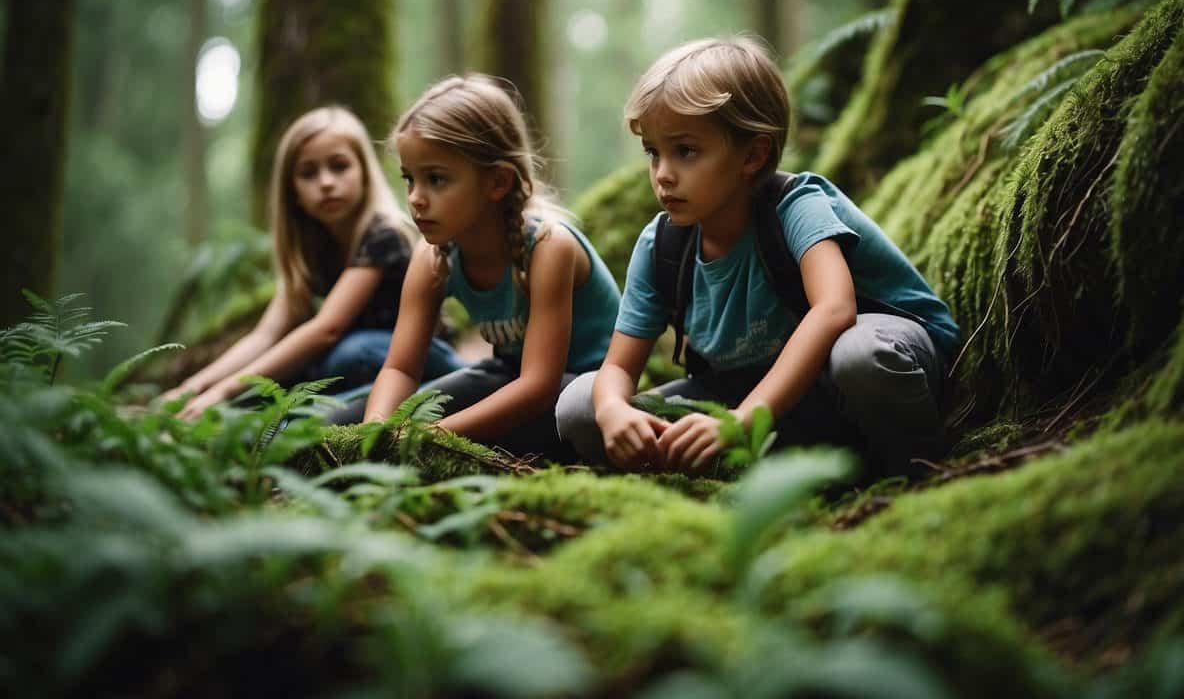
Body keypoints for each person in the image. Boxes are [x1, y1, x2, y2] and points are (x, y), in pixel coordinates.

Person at [555, 37, 961, 476]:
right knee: (582, 403)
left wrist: (741, 423)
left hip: (868, 375)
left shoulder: (797, 205)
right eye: (653, 152)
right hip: (760, 400)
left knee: (860, 355)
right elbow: (617, 367)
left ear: (754, 154)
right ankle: (778, 473)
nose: (662, 175)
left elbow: (834, 309)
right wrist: (615, 409)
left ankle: (915, 472)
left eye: (685, 151)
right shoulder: (662, 247)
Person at [352, 75, 621, 460]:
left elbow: (538, 387)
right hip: (506, 376)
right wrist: (375, 430)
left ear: (497, 182)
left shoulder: (549, 247)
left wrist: (431, 436)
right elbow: (400, 369)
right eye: (410, 179)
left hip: (585, 392)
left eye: (436, 179)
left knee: (530, 422)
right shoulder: (432, 256)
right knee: (355, 417)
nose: (415, 199)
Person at [161, 106, 464, 419]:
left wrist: (224, 390)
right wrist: (194, 387)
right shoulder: (309, 249)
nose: (326, 182)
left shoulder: (383, 234)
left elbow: (326, 329)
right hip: (358, 365)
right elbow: (265, 335)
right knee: (292, 375)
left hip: (418, 360)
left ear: (364, 170)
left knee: (346, 353)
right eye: (309, 173)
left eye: (339, 166)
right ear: (292, 191)